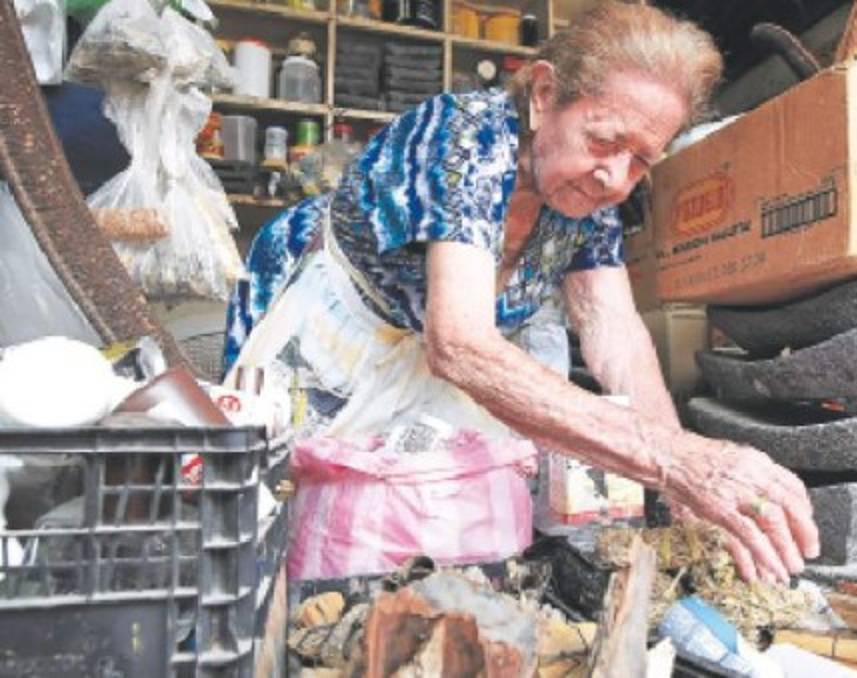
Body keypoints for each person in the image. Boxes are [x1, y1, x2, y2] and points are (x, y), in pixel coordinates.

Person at [224, 3, 819, 583]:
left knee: (418, 537)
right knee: (278, 518)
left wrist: (682, 477)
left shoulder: (587, 196)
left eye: (641, 159)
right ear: (543, 95)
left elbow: (614, 333)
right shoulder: (466, 138)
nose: (616, 176)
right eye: (604, 140)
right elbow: (459, 345)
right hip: (339, 324)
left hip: (435, 353)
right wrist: (679, 462)